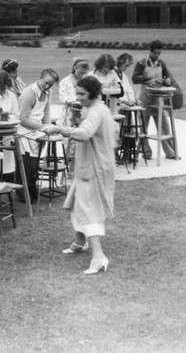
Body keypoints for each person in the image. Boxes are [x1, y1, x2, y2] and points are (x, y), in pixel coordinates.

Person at [53, 76, 118, 275]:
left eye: (82, 93)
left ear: (93, 93)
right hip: (87, 165)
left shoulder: (97, 111)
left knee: (89, 210)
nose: (78, 97)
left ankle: (99, 257)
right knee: (76, 202)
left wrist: (59, 128)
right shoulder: (94, 108)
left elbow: (85, 133)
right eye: (77, 92)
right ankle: (80, 241)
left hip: (95, 168)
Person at [16, 68, 60, 203]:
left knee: (34, 167)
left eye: (50, 85)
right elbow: (23, 119)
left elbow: (46, 113)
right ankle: (23, 194)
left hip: (37, 133)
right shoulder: (29, 93)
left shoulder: (47, 92)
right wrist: (43, 127)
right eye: (46, 83)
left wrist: (48, 128)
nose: (47, 86)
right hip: (24, 133)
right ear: (39, 77)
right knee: (26, 166)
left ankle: (33, 191)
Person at [131, 40, 177, 160]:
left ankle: (170, 152)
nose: (157, 56)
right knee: (143, 125)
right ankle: (146, 151)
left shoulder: (161, 63)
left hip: (157, 95)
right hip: (145, 94)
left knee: (164, 123)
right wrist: (147, 77)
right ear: (150, 51)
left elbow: (168, 78)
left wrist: (167, 81)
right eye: (155, 53)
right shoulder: (142, 62)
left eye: (159, 53)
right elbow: (135, 79)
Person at [0, 71, 20, 182]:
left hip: (6, 134)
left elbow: (16, 114)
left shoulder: (11, 96)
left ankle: (7, 189)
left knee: (7, 163)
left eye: (3, 89)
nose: (0, 92)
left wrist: (7, 116)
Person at [58, 58, 90, 171]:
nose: (82, 75)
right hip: (70, 115)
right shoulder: (65, 82)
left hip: (83, 115)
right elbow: (63, 98)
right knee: (69, 141)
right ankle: (68, 168)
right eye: (80, 72)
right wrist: (76, 99)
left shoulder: (87, 81)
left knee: (82, 140)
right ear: (74, 68)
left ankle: (80, 168)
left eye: (84, 73)